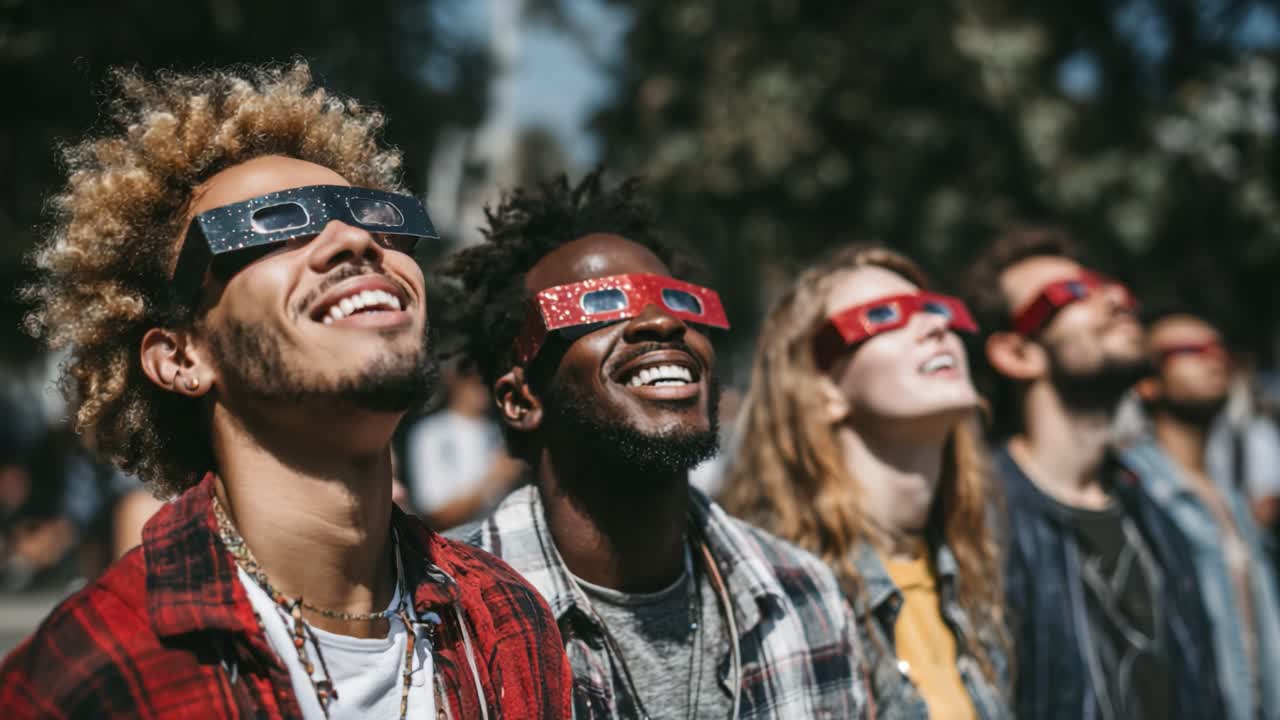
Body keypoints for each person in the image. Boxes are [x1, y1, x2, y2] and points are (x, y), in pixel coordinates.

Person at [0, 63, 571, 719]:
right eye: (272, 223)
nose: (355, 240)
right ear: (182, 356)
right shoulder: (89, 675)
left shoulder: (507, 620)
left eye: (375, 216)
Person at [438, 171, 868, 718]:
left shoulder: (805, 598)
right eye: (599, 304)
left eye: (680, 302)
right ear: (521, 400)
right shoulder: (438, 619)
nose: (662, 322)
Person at [722, 245, 1011, 719]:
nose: (937, 325)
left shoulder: (976, 567)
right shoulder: (773, 602)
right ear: (823, 388)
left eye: (935, 309)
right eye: (884, 315)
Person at [963, 225, 1223, 720]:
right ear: (1016, 354)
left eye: (1112, 289)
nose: (1116, 301)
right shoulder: (980, 524)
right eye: (1072, 294)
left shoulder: (1156, 516)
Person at [1126, 311, 1280, 720]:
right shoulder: (1132, 491)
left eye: (1218, 348)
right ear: (1147, 383)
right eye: (1189, 350)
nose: (1215, 359)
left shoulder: (1229, 499)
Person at [403, 361, 524, 530]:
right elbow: (437, 515)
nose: (482, 384)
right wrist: (495, 480)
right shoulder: (431, 433)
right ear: (452, 379)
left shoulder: (499, 433)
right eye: (471, 376)